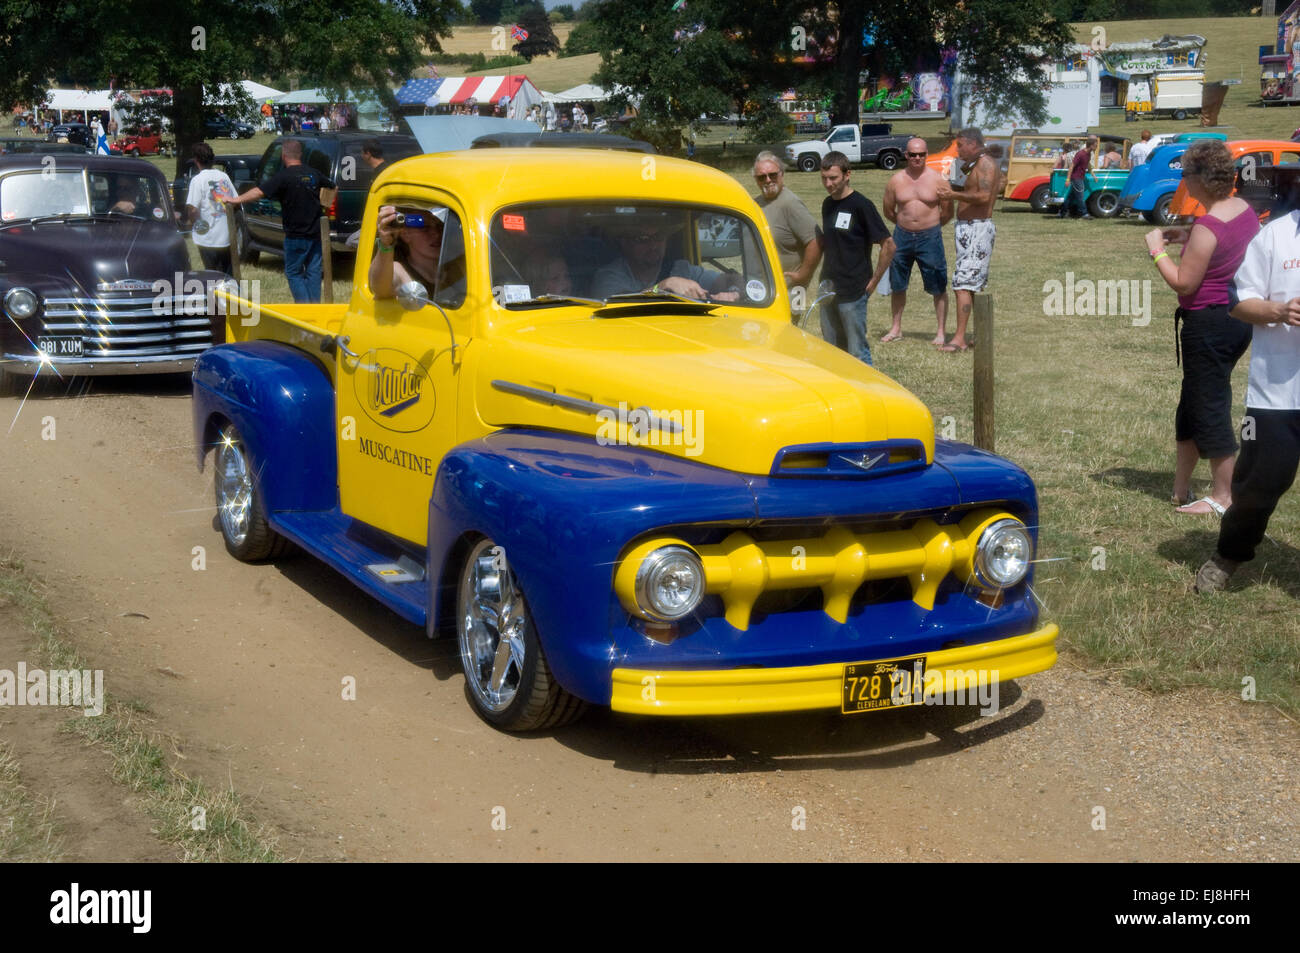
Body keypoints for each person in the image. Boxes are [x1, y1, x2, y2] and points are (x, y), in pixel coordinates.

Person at [1143, 140, 1258, 518]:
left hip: (1208, 322)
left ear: (1202, 179)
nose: (1183, 182)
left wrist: (1157, 251)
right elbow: (1220, 246)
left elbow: (1184, 283)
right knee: (1193, 402)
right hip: (1234, 319)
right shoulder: (1242, 211)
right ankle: (1180, 488)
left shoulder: (1208, 227)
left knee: (1209, 405)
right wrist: (1184, 236)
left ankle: (1225, 496)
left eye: (1186, 174)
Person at [1193, 196, 1300, 592]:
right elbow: (1238, 303)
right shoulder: (1276, 236)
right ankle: (1229, 554)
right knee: (1258, 484)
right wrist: (1280, 311)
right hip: (1279, 393)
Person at [225, 138, 336, 303]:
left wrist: (236, 200)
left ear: (284, 155)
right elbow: (332, 186)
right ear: (301, 155)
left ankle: (304, 307)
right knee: (314, 272)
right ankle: (315, 308)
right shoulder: (313, 173)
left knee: (293, 272)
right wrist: (325, 204)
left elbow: (259, 192)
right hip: (314, 235)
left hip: (295, 236)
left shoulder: (283, 176)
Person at [816, 151, 895, 366]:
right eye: (824, 178)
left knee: (857, 352)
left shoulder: (861, 205)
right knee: (831, 350)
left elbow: (888, 245)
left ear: (847, 174)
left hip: (854, 290)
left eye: (833, 178)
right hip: (828, 287)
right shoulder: (827, 204)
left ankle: (866, 395)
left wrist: (873, 282)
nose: (828, 183)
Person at [881, 137, 952, 346]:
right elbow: (888, 210)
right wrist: (905, 224)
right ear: (906, 155)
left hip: (930, 237)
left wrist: (929, 227)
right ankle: (896, 328)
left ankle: (940, 331)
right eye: (913, 154)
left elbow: (947, 212)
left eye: (921, 154)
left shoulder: (938, 180)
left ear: (926, 155)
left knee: (938, 284)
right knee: (898, 284)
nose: (917, 158)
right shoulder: (896, 180)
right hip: (901, 236)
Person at [936, 127, 998, 352]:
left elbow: (983, 196)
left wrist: (953, 195)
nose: (958, 149)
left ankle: (959, 338)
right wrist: (950, 178)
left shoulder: (986, 164)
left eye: (960, 145)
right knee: (968, 284)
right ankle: (974, 336)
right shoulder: (971, 164)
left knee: (962, 284)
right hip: (967, 229)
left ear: (974, 144)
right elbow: (956, 184)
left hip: (977, 228)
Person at [588, 223, 741, 301]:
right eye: (642, 239)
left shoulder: (682, 269)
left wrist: (734, 292)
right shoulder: (609, 276)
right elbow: (619, 303)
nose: (653, 245)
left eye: (659, 237)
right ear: (625, 243)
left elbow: (731, 279)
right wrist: (662, 287)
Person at [752, 151, 820, 318]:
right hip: (764, 290)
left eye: (773, 175)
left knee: (788, 337)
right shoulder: (756, 204)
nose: (768, 180)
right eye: (762, 177)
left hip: (790, 289)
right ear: (756, 180)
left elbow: (816, 241)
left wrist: (803, 274)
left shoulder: (790, 203)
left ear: (782, 174)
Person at [369, 205, 445, 299]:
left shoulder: (455, 266)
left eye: (439, 226)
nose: (437, 234)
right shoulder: (399, 271)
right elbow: (380, 289)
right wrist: (386, 244)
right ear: (405, 235)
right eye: (425, 227)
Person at [184, 142, 238, 274]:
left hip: (207, 238)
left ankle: (216, 295)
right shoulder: (223, 176)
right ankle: (229, 294)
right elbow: (235, 201)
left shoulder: (197, 180)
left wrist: (192, 223)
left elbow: (192, 209)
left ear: (196, 161)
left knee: (212, 275)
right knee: (227, 274)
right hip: (226, 236)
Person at [1059, 135, 1095, 219]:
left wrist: (1093, 174)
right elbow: (1071, 166)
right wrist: (1068, 179)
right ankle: (1084, 213)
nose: (1097, 147)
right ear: (1091, 145)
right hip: (1076, 178)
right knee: (1080, 197)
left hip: (1080, 177)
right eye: (1096, 145)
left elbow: (1088, 164)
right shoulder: (1080, 154)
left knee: (1070, 197)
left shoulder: (1088, 154)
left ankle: (1062, 213)